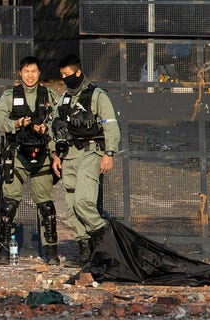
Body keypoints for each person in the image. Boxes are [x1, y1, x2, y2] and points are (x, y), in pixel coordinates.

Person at [51, 54, 120, 267]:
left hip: (92, 152)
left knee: (83, 201)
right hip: (70, 154)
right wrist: (55, 153)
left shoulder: (97, 95)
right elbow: (56, 125)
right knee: (71, 205)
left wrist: (109, 153)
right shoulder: (63, 98)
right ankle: (85, 250)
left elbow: (110, 124)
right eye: (62, 75)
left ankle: (104, 240)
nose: (64, 78)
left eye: (68, 74)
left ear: (78, 72)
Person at [0, 56, 60, 265]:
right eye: (26, 71)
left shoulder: (49, 95)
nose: (30, 76)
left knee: (46, 206)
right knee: (9, 204)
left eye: (34, 71)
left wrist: (45, 131)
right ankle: (4, 249)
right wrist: (17, 123)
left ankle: (50, 250)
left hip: (42, 155)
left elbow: (57, 123)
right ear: (20, 73)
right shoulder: (10, 95)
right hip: (17, 154)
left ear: (39, 73)